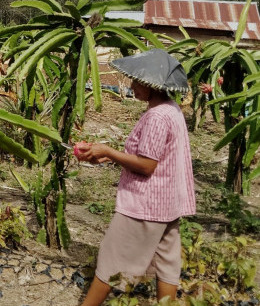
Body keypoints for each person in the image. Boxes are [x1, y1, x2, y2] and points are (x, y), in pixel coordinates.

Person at [77, 49, 196, 306]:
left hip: (145, 206)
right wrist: (106, 156)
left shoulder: (156, 117)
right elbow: (155, 157)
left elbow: (147, 165)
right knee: (167, 264)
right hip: (168, 205)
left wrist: (107, 150)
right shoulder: (172, 110)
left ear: (152, 85)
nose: (132, 86)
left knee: (110, 261)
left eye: (137, 81)